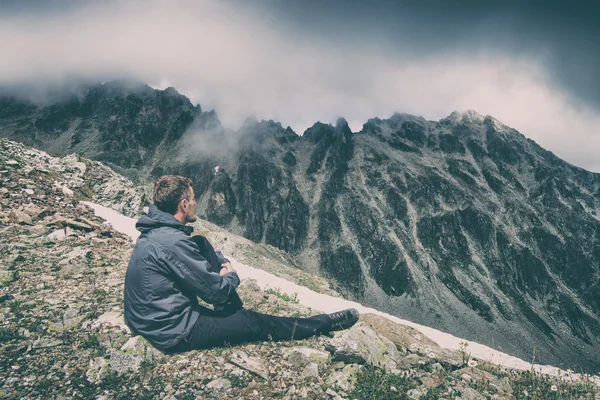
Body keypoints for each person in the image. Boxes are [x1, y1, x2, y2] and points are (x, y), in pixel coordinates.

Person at [123, 175, 359, 353]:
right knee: (253, 322)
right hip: (172, 331)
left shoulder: (157, 232)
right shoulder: (173, 243)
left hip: (150, 318)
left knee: (201, 243)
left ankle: (231, 314)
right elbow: (215, 292)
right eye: (193, 200)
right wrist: (232, 275)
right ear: (183, 205)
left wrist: (220, 266)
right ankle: (324, 323)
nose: (196, 203)